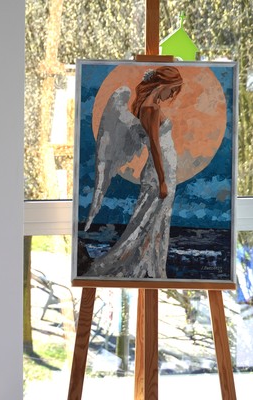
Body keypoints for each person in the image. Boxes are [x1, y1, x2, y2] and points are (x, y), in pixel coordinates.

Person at [82, 66, 183, 279]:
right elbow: (155, 146)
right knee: (145, 220)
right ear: (162, 85)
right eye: (172, 89)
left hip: (164, 171)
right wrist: (162, 181)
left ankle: (151, 264)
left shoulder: (151, 107)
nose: (173, 95)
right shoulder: (150, 109)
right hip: (159, 173)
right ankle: (135, 265)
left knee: (158, 218)